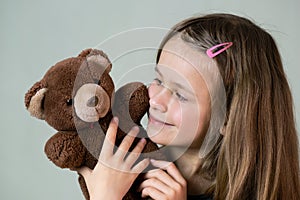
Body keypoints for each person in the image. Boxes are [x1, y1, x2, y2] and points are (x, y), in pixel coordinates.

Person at [77, 13, 300, 200]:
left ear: (227, 118)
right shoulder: (129, 164)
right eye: (159, 80)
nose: (155, 100)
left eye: (180, 95)